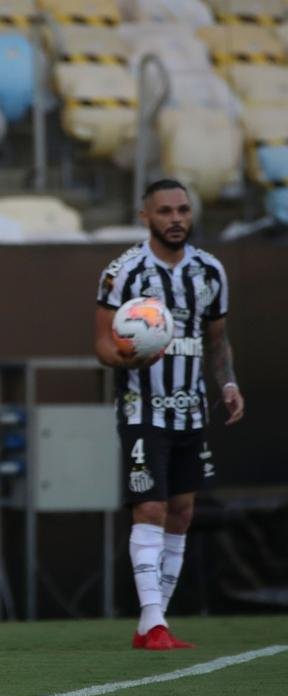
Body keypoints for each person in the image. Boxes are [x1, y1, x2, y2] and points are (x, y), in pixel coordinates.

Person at [95, 179, 244, 651]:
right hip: (142, 407)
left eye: (182, 210)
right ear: (146, 217)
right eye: (165, 211)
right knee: (151, 507)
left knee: (181, 512)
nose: (176, 219)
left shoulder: (210, 271)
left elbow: (217, 340)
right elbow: (101, 343)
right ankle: (154, 621)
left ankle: (152, 624)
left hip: (191, 410)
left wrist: (228, 383)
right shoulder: (123, 272)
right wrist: (127, 358)